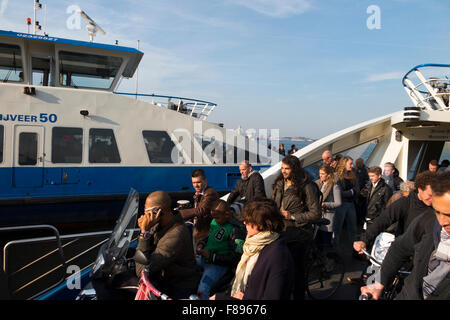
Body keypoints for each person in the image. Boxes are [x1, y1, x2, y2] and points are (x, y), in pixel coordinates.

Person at [360, 171, 450, 300]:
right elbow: (396, 243)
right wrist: (380, 283)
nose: (442, 221)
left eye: (449, 214)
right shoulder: (427, 220)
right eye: (437, 211)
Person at [211, 199, 295, 300]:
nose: (244, 222)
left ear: (260, 224)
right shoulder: (253, 244)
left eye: (249, 220)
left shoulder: (277, 255)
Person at [272, 155, 321, 300]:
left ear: (295, 168)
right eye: (282, 168)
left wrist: (292, 217)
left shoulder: (307, 186)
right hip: (281, 233)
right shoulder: (280, 183)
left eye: (287, 168)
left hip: (299, 235)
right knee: (282, 271)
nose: (283, 171)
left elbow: (316, 213)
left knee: (297, 272)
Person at [135, 191, 201, 299]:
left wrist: (143, 232)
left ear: (158, 211)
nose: (144, 214)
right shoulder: (159, 225)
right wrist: (146, 230)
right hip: (166, 278)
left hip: (179, 286)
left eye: (147, 211)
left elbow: (142, 270)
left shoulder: (175, 235)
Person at [354, 171, 437, 255]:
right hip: (405, 252)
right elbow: (383, 220)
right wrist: (364, 240)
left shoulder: (438, 206)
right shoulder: (406, 202)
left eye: (436, 195)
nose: (433, 199)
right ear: (419, 190)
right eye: (430, 195)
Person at [195, 200, 246, 299]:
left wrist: (212, 257)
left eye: (217, 217)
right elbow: (210, 236)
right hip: (206, 258)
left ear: (227, 214)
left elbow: (235, 257)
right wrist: (202, 243)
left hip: (218, 265)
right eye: (213, 217)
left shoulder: (235, 230)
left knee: (202, 289)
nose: (215, 220)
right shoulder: (215, 222)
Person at [179, 169, 219, 244]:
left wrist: (180, 214)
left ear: (205, 181)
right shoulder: (199, 192)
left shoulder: (210, 193)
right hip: (199, 227)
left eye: (198, 182)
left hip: (206, 230)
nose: (195, 185)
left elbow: (201, 210)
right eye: (193, 182)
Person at [334, 156, 359, 250]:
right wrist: (351, 192)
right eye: (350, 163)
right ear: (344, 164)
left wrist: (350, 192)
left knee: (353, 227)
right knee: (337, 227)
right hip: (341, 204)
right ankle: (335, 248)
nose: (352, 166)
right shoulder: (337, 176)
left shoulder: (353, 175)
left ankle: (354, 248)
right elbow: (339, 193)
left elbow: (357, 189)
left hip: (350, 204)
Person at [315, 164, 342, 248]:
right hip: (318, 215)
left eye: (323, 174)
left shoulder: (335, 186)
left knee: (325, 240)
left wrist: (325, 204)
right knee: (317, 240)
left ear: (328, 175)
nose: (320, 175)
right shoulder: (318, 183)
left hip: (328, 217)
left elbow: (338, 203)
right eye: (320, 173)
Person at [355, 158, 370, 229]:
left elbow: (367, 181)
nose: (357, 165)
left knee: (361, 208)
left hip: (362, 193)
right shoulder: (355, 170)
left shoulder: (365, 170)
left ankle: (360, 223)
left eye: (358, 163)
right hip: (357, 192)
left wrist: (364, 190)